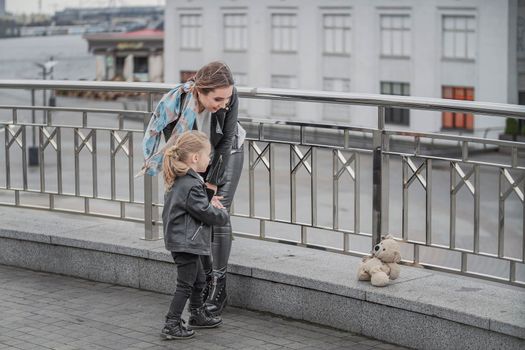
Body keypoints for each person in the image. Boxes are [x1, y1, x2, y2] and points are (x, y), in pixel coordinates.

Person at [141, 61, 245, 316]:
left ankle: (219, 286)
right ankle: (204, 279)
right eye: (218, 99)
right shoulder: (174, 105)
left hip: (226, 153)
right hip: (192, 159)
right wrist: (197, 186)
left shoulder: (229, 98)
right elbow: (176, 153)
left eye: (227, 98)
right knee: (198, 212)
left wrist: (211, 185)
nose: (223, 104)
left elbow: (227, 139)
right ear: (200, 90)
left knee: (218, 211)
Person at [160, 131, 229, 340]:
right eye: (208, 155)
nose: (210, 159)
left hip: (183, 240)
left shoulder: (184, 180)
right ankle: (172, 323)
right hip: (186, 242)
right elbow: (204, 212)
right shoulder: (190, 184)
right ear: (195, 158)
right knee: (186, 284)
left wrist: (208, 197)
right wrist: (222, 215)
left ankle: (197, 313)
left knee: (199, 279)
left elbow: (193, 204)